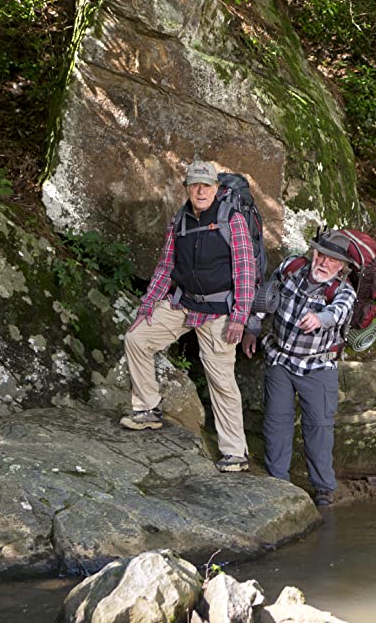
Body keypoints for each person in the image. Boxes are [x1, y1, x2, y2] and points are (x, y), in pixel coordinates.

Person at [120, 159, 256, 474]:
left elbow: (245, 271)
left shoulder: (231, 220)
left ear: (216, 188)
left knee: (221, 380)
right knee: (136, 338)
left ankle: (235, 453)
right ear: (187, 188)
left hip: (220, 311)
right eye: (194, 185)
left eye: (206, 185)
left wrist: (239, 317)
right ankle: (147, 409)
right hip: (184, 304)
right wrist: (147, 305)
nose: (200, 190)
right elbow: (166, 267)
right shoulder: (179, 219)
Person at [242, 230, 357, 507]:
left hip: (318, 366)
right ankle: (278, 481)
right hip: (280, 359)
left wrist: (319, 318)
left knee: (318, 426)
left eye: (331, 260)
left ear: (341, 266)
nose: (322, 262)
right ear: (312, 252)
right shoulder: (291, 267)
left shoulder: (343, 291)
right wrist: (251, 329)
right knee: (276, 421)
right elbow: (265, 298)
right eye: (320, 254)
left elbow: (338, 313)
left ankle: (324, 488)